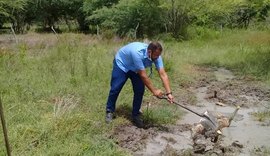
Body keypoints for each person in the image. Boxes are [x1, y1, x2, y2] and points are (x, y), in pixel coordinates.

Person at [105, 41, 174, 128]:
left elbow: (163, 74)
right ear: (149, 52)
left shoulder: (157, 56)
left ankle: (135, 115)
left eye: (158, 55)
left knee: (139, 90)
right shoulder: (137, 52)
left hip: (136, 69)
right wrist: (155, 91)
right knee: (115, 88)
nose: (157, 58)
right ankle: (109, 111)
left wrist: (169, 93)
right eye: (155, 55)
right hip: (122, 64)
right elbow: (143, 75)